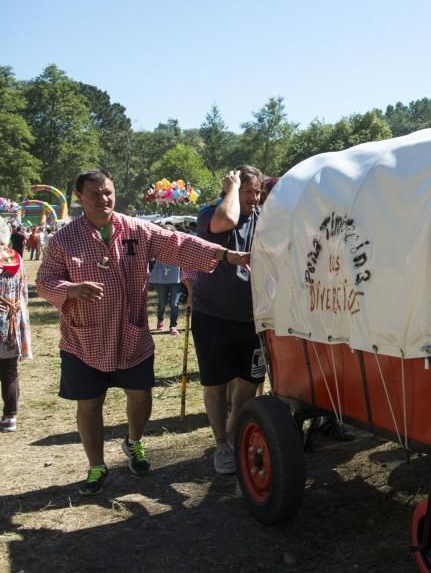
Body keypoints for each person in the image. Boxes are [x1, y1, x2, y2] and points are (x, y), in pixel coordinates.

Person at [36, 170, 248, 496]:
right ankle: (97, 465)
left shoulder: (134, 228)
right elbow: (45, 281)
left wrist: (222, 254)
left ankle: (134, 442)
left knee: (141, 397)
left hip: (131, 334)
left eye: (107, 192)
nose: (102, 199)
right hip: (84, 339)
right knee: (90, 405)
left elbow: (177, 244)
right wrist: (70, 289)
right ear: (79, 197)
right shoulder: (64, 239)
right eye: (94, 194)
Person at [188, 165, 266, 475]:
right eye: (249, 192)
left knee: (251, 380)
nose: (255, 198)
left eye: (257, 192)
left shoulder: (262, 219)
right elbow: (227, 221)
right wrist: (231, 189)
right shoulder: (210, 212)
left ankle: (232, 431)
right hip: (213, 316)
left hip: (251, 317)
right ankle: (221, 445)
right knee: (216, 383)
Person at [0, 217, 31, 433]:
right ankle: (10, 416)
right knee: (9, 371)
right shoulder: (16, 258)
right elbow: (23, 293)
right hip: (11, 320)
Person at [148, 225, 183, 335]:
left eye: (168, 232)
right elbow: (150, 256)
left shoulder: (179, 246)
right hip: (162, 280)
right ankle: (160, 320)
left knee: (174, 303)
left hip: (175, 279)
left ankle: (173, 326)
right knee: (162, 303)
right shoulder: (158, 246)